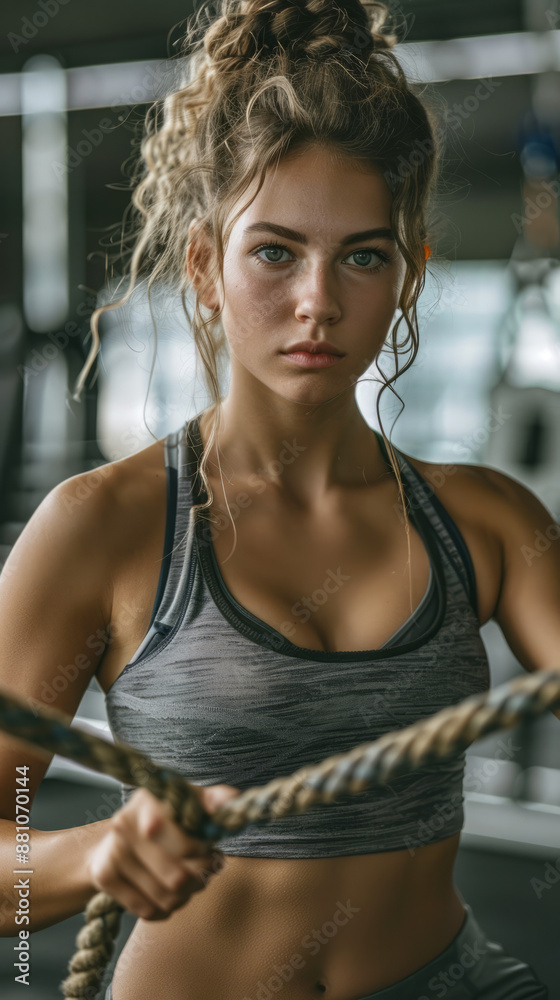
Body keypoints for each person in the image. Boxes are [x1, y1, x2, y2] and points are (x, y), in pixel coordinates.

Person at [0, 1, 557, 998]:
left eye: (361, 254)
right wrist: (94, 855)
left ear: (408, 274)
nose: (317, 301)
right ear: (206, 267)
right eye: (275, 252)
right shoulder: (103, 526)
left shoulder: (489, 523)